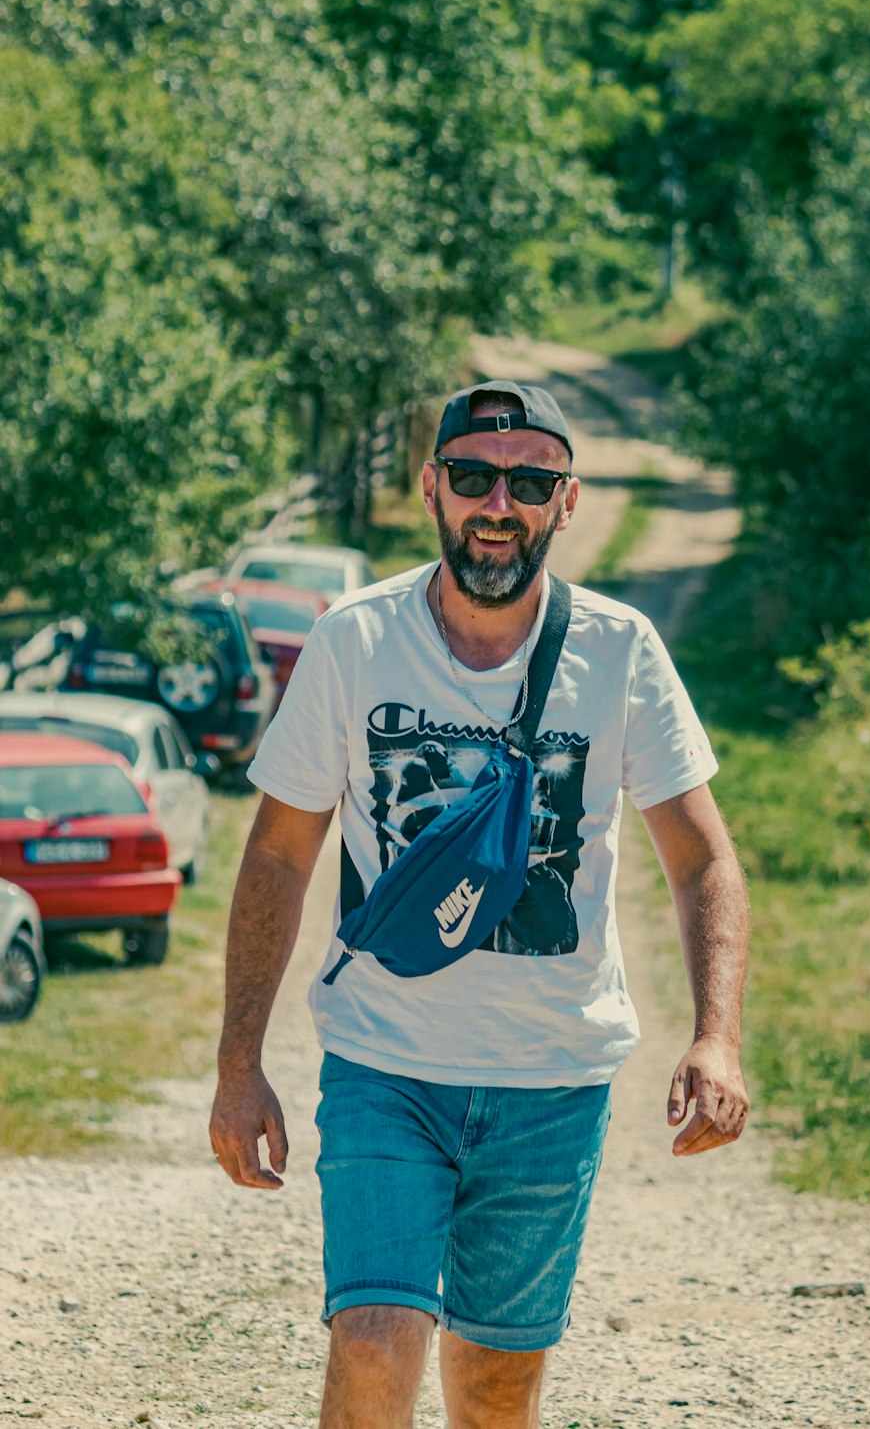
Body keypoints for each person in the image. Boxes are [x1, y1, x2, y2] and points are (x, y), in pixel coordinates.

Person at [209, 379, 751, 1429]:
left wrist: (716, 1036)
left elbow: (702, 862)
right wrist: (239, 1066)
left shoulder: (620, 649)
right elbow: (278, 855)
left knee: (498, 1393)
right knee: (371, 1348)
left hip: (551, 1084)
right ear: (432, 488)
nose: (496, 504)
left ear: (565, 502)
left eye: (528, 482)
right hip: (384, 1067)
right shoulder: (354, 643)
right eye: (472, 477)